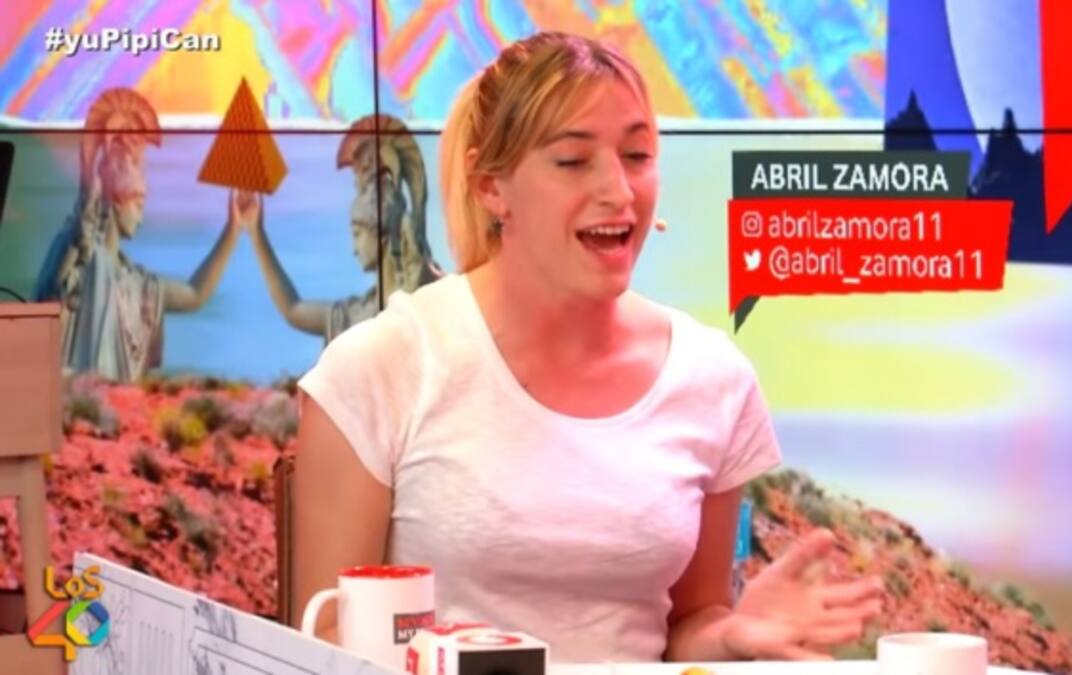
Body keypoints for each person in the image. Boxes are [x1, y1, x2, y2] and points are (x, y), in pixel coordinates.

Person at [290, 31, 883, 663]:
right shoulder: (380, 368)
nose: (619, 192)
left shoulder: (713, 379)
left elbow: (688, 626)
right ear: (491, 185)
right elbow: (323, 645)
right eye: (573, 161)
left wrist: (730, 636)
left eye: (637, 155)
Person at [34, 88, 243, 382]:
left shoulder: (137, 283)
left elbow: (194, 295)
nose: (141, 217)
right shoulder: (81, 258)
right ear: (117, 201)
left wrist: (233, 229)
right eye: (139, 205)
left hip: (116, 405)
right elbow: (52, 287)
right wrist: (88, 200)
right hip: (73, 402)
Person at [239, 114, 443, 343]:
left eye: (357, 233)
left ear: (381, 232)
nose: (354, 249)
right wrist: (255, 232)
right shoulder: (354, 314)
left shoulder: (423, 297)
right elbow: (293, 310)